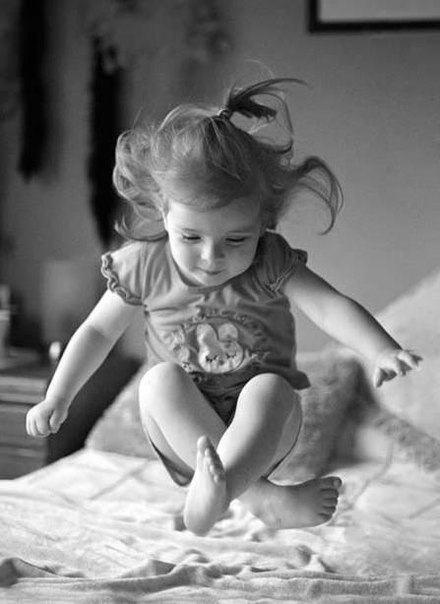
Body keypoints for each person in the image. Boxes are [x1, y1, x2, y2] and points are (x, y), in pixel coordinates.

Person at [26, 78, 421, 536]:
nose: (211, 257)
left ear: (263, 223)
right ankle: (262, 499)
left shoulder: (270, 261)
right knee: (158, 380)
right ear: (164, 213)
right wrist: (59, 395)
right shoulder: (144, 263)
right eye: (190, 237)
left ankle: (222, 492)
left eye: (236, 239)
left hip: (263, 435)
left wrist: (379, 348)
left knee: (271, 387)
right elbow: (98, 331)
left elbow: (329, 306)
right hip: (180, 430)